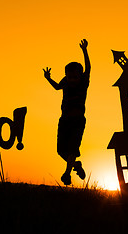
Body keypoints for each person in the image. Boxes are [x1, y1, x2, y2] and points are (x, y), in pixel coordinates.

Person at [43, 39, 90, 185]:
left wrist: (84, 50)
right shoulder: (65, 82)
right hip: (64, 121)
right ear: (66, 76)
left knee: (72, 150)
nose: (72, 80)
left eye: (75, 77)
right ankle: (76, 165)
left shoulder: (83, 82)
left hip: (77, 121)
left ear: (80, 76)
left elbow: (88, 67)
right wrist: (48, 78)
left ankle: (67, 174)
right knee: (61, 151)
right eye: (70, 77)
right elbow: (57, 87)